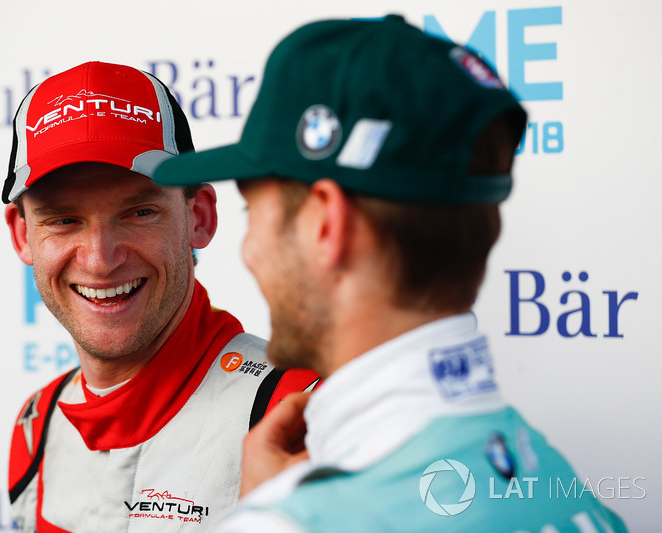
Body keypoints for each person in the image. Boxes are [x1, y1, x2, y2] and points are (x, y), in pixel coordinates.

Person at [152, 15, 628, 532]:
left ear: (325, 225)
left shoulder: (294, 522)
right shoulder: (562, 485)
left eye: (253, 214)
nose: (248, 252)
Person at [1, 61, 319, 533]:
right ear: (23, 235)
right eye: (64, 220)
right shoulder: (35, 425)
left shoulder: (297, 415)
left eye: (140, 212)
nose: (99, 260)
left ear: (200, 217)